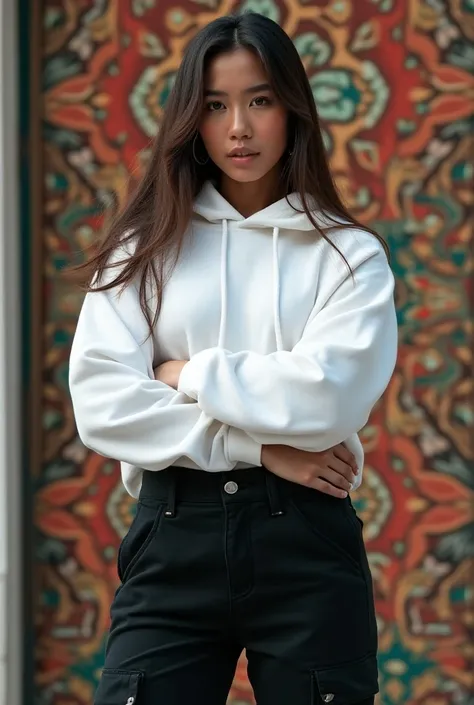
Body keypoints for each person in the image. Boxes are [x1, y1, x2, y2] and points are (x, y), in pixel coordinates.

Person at [69, 12, 397, 705]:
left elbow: (329, 399)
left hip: (305, 538)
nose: (239, 127)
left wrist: (182, 373)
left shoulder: (349, 255)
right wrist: (261, 444)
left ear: (292, 109)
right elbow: (101, 402)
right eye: (216, 105)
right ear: (193, 117)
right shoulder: (144, 248)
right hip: (173, 533)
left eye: (260, 100)